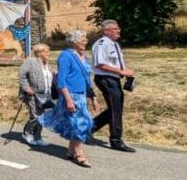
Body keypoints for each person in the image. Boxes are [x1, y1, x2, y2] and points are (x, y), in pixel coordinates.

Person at [39, 30, 98, 167]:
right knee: (80, 124)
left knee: (81, 123)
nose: (86, 41)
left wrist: (93, 96)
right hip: (71, 95)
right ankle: (79, 154)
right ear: (74, 41)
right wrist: (68, 99)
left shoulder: (84, 56)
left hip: (82, 95)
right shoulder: (65, 56)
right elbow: (61, 81)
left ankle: (71, 150)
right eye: (83, 38)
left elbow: (87, 79)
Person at [91, 20, 136, 152]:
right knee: (116, 109)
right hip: (105, 79)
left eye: (118, 28)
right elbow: (100, 64)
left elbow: (114, 63)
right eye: (115, 29)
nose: (119, 30)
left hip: (113, 79)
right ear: (107, 31)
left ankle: (89, 128)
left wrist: (125, 71)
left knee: (115, 108)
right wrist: (121, 71)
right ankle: (116, 140)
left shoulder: (114, 44)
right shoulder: (102, 44)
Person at [18, 43, 55, 146]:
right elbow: (22, 75)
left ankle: (38, 137)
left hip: (45, 94)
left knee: (42, 116)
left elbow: (48, 76)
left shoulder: (46, 63)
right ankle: (27, 133)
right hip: (32, 94)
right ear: (39, 53)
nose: (49, 53)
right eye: (46, 52)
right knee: (35, 116)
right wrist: (26, 88)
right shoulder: (30, 61)